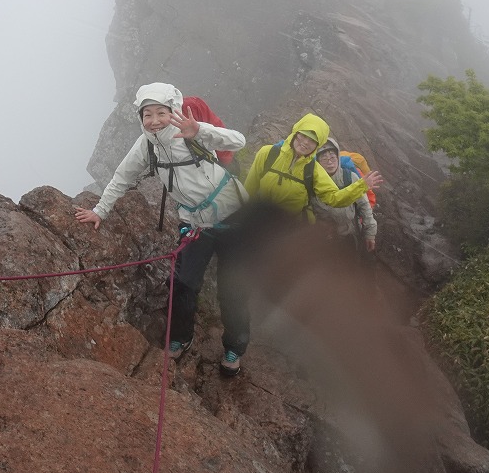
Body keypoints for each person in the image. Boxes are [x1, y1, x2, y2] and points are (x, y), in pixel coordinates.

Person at [75, 83, 250, 376]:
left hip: (235, 218)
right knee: (183, 283)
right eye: (148, 114)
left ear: (173, 110)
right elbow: (121, 177)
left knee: (232, 289)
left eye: (161, 112)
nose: (154, 120)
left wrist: (200, 131)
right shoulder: (146, 145)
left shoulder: (190, 131)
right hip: (197, 223)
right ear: (140, 118)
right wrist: (99, 211)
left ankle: (235, 348)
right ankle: (181, 336)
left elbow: (238, 141)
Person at [244, 113, 383, 220]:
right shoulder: (268, 153)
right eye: (303, 135)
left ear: (317, 145)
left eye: (312, 140)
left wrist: (361, 186)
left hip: (289, 230)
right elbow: (249, 189)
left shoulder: (313, 169)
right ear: (295, 133)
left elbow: (333, 198)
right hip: (260, 221)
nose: (305, 142)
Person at [315, 137, 378, 257]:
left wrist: (370, 234)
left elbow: (364, 206)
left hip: (352, 234)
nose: (330, 162)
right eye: (324, 159)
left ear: (338, 158)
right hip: (326, 239)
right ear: (318, 162)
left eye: (333, 157)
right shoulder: (314, 183)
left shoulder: (350, 177)